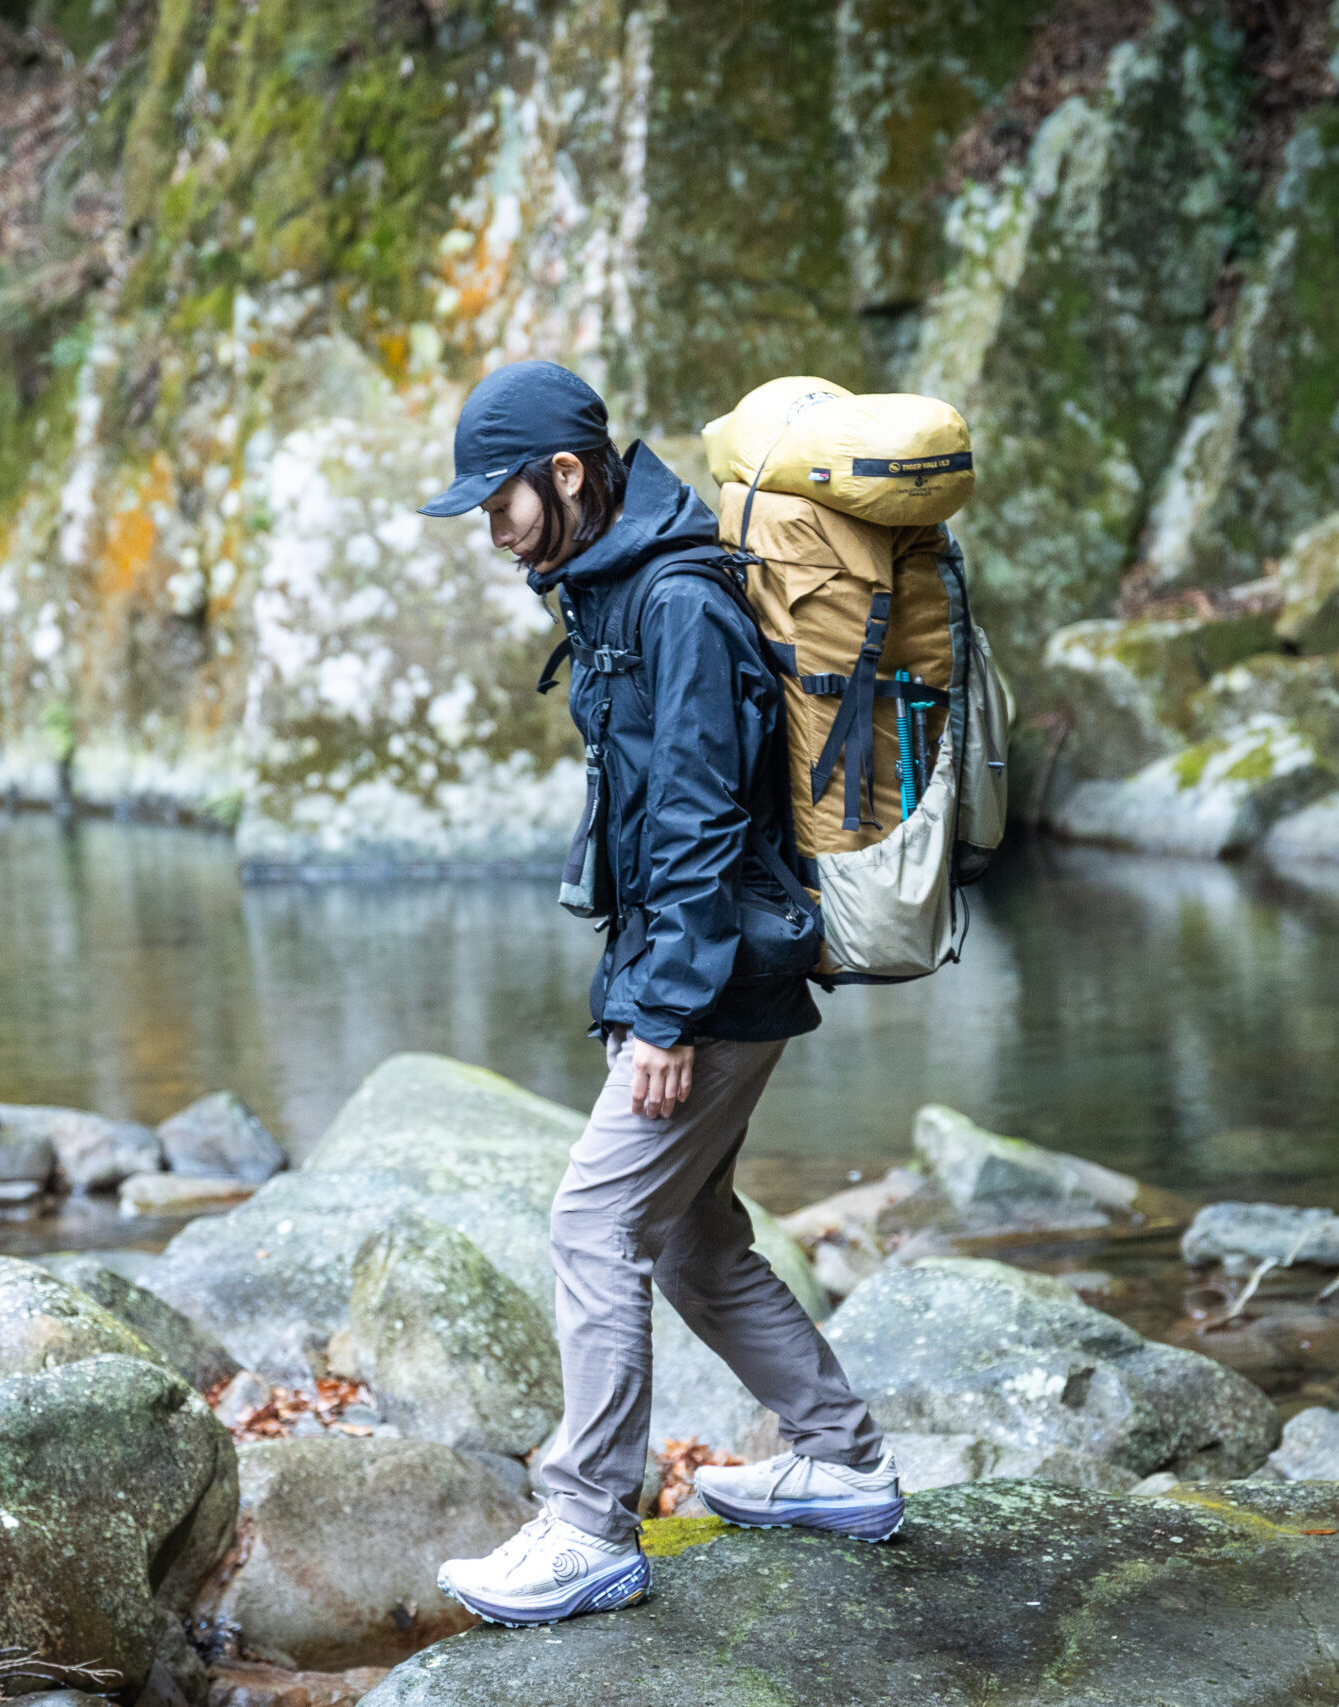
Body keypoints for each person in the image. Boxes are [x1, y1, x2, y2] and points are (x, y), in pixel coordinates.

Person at [418, 361, 900, 1627]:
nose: (492, 527)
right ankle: (840, 1460)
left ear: (566, 476)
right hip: (709, 964)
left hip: (715, 976)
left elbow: (696, 816)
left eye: (499, 502)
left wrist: (666, 1014)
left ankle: (586, 1525)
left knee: (592, 1225)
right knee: (690, 1234)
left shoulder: (676, 603)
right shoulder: (612, 584)